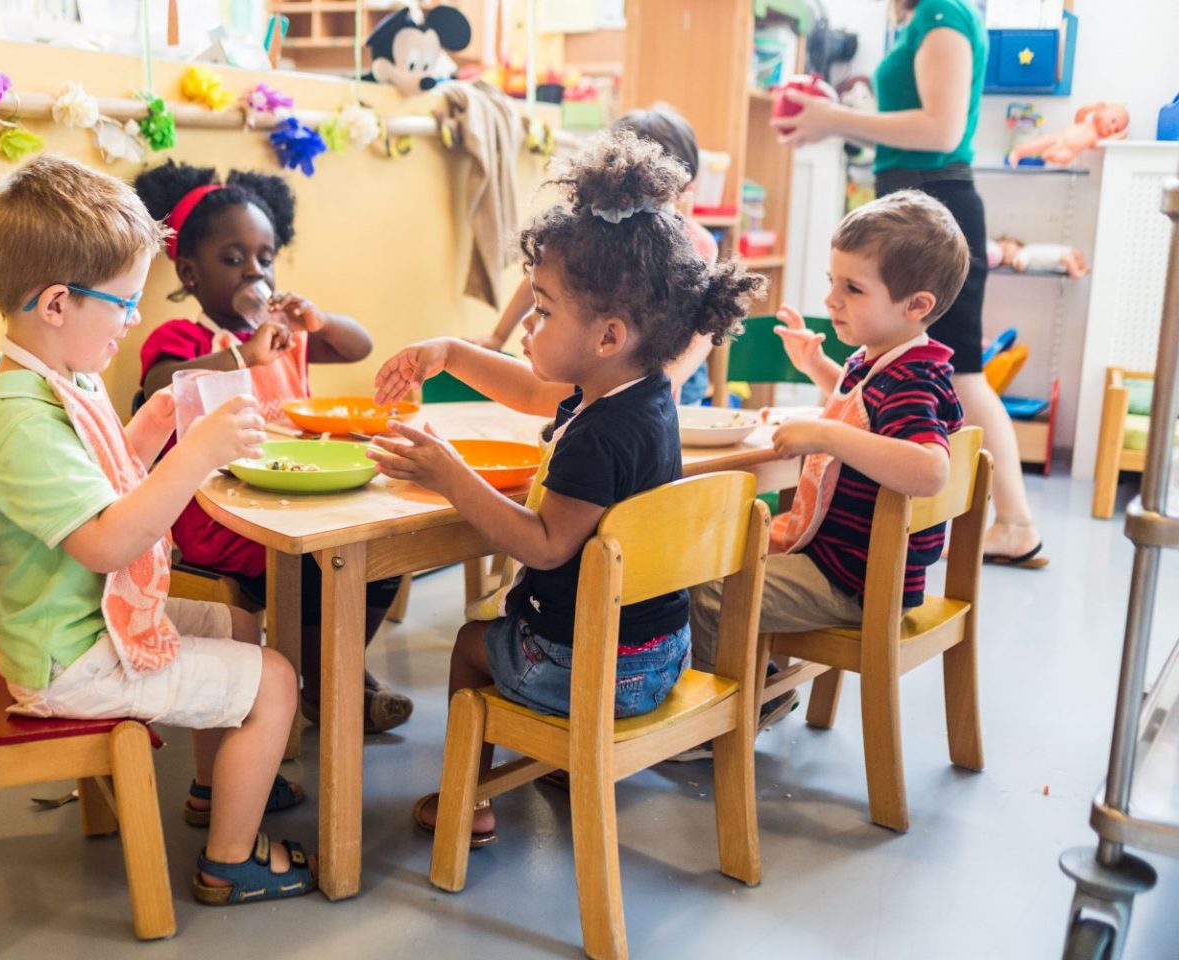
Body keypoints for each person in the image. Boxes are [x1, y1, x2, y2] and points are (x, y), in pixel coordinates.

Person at [368, 130, 765, 843]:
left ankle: (470, 800)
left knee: (469, 642)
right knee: (509, 624)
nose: (529, 328)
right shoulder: (636, 398)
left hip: (590, 667)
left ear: (608, 336)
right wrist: (452, 352)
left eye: (542, 312)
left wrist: (447, 474)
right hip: (660, 655)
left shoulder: (597, 436)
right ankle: (551, 754)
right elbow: (526, 389)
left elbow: (544, 546)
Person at [0, 154, 313, 905]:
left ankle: (209, 787)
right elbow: (103, 541)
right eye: (123, 303)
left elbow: (92, 483)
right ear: (57, 303)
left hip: (74, 624)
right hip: (70, 658)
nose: (133, 319)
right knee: (278, 680)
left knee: (235, 619)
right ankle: (230, 861)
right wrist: (194, 455)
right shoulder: (21, 420)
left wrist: (146, 432)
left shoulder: (53, 378)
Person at [133, 160, 411, 733]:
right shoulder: (183, 339)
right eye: (232, 259)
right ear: (189, 272)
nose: (252, 271)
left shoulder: (283, 335)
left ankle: (329, 671)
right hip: (221, 516)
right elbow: (161, 382)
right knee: (323, 564)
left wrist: (319, 319)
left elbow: (359, 346)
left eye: (264, 257)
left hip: (295, 496)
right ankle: (329, 681)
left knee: (382, 558)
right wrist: (242, 355)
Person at [772, 0, 1045, 568]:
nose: (833, 298)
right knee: (949, 375)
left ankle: (1015, 520)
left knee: (961, 375)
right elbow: (862, 399)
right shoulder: (928, 17)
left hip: (933, 198)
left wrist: (832, 119)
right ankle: (1015, 519)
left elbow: (939, 127)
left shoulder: (943, 13)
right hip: (920, 194)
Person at [689, 191, 966, 707]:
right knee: (717, 557)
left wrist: (824, 434)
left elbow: (929, 469)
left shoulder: (915, 379)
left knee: (709, 587)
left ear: (917, 305)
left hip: (852, 581)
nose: (832, 301)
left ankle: (720, 715)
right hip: (845, 566)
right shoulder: (885, 362)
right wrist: (817, 371)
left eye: (853, 288)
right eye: (831, 283)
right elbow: (869, 414)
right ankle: (762, 682)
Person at [468, 104, 722, 406]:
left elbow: (702, 332)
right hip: (607, 369)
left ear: (684, 188)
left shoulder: (694, 244)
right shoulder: (599, 233)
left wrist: (658, 387)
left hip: (660, 378)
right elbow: (542, 280)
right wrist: (498, 336)